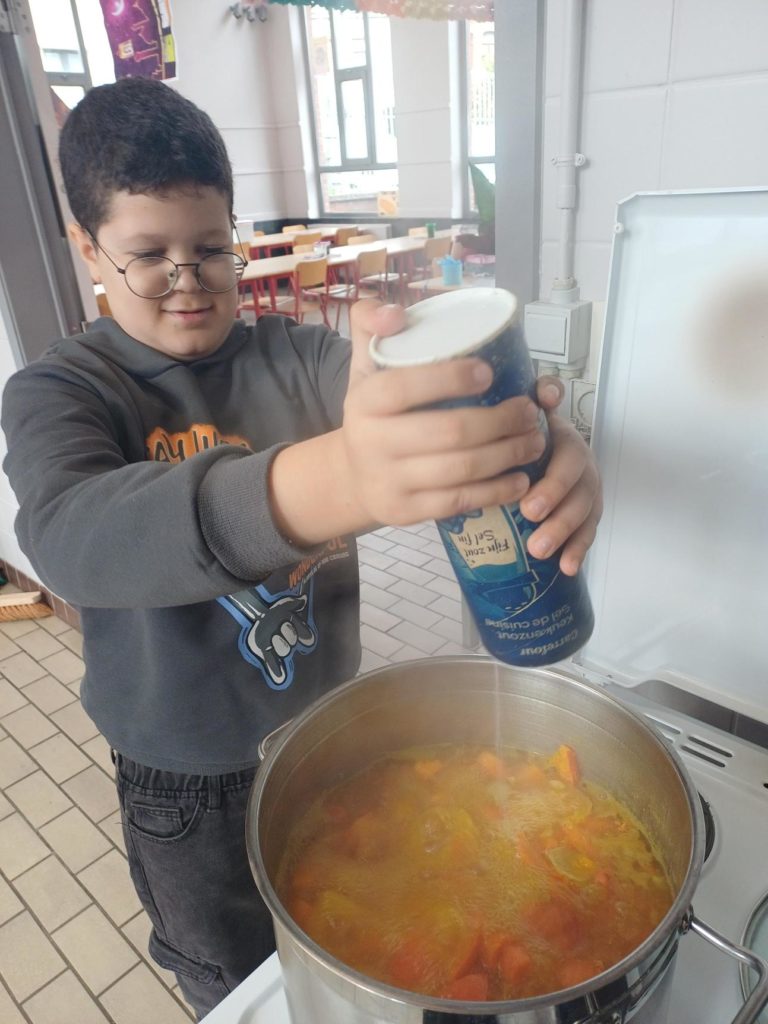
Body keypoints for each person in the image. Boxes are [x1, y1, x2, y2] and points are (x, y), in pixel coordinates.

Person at [1, 77, 601, 1019]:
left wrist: (541, 446)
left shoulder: (302, 357)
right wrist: (336, 481)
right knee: (230, 982)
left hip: (336, 738)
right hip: (185, 786)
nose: (190, 281)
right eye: (149, 256)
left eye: (212, 248)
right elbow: (74, 536)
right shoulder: (62, 390)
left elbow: (412, 410)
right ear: (88, 249)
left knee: (361, 961)